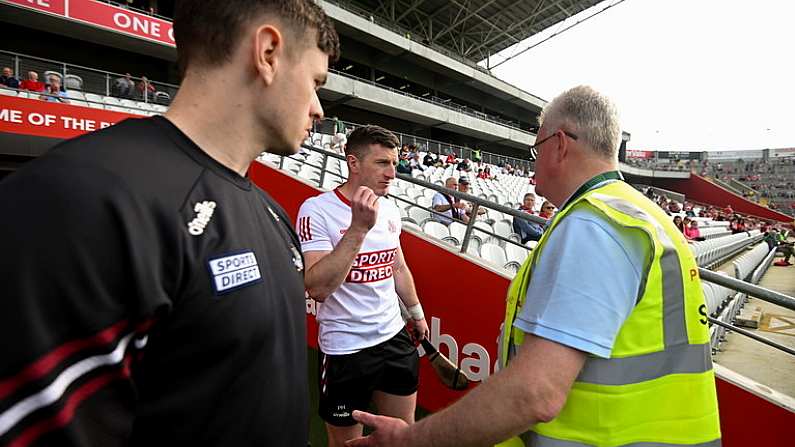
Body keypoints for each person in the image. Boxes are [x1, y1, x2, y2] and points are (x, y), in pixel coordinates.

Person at [0, 1, 339, 446]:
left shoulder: (271, 211)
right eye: (316, 83)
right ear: (269, 53)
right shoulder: (82, 197)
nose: (318, 108)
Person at [347, 85, 720, 447]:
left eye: (536, 147)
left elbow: (535, 394)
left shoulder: (593, 225)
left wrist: (411, 439)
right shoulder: (644, 216)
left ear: (558, 145)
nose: (533, 160)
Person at [297, 125, 429, 447]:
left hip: (393, 337)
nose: (392, 174)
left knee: (403, 436)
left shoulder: (390, 209)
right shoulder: (316, 210)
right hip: (345, 348)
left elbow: (397, 265)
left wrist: (416, 313)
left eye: (394, 164)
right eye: (382, 163)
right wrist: (357, 230)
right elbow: (316, 287)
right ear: (354, 163)